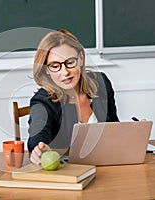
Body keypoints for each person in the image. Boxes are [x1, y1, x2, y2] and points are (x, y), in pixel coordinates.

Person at [28, 29, 119, 164]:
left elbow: (114, 128)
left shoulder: (101, 83)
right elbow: (38, 131)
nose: (65, 72)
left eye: (70, 62)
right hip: (69, 172)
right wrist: (39, 148)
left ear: (81, 58)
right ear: (46, 69)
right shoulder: (43, 100)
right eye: (55, 66)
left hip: (107, 166)